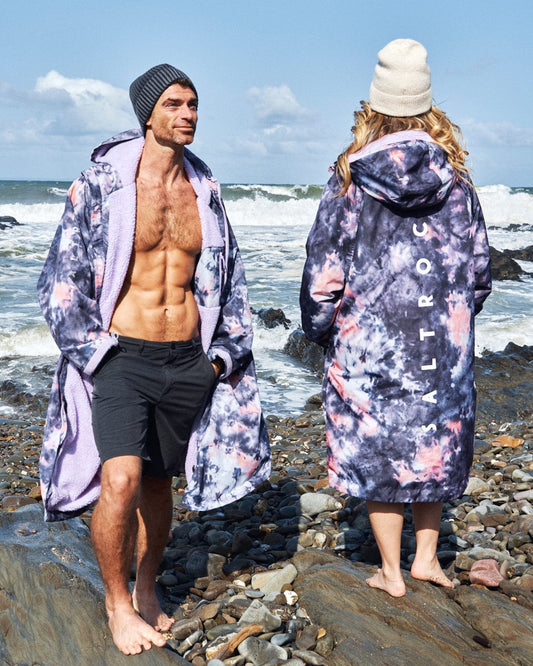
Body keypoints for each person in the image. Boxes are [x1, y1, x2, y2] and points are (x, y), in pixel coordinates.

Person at [37, 64, 270, 654]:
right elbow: (60, 282)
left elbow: (230, 277)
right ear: (147, 113)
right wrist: (94, 354)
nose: (187, 113)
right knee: (120, 478)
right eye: (173, 104)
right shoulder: (102, 184)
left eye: (193, 104)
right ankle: (115, 606)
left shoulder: (204, 186)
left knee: (160, 485)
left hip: (188, 360)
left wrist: (219, 360)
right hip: (121, 357)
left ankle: (145, 586)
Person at [300, 39, 491, 598]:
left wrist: (320, 329)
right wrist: (455, 321)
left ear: (374, 108)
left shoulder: (351, 180)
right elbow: (479, 269)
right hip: (443, 344)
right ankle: (427, 558)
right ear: (429, 107)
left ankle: (390, 568)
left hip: (370, 344)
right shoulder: (457, 182)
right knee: (433, 439)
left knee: (378, 441)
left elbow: (323, 272)